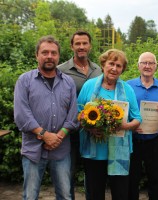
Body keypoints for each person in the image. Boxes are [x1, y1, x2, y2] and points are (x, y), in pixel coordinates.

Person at [14, 35, 78, 200]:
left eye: (53, 53)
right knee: (30, 196)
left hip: (61, 149)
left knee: (65, 195)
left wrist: (59, 136)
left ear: (58, 56)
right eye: (45, 52)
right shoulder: (24, 81)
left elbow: (73, 115)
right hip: (33, 149)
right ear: (37, 55)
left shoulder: (68, 83)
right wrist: (44, 135)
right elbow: (21, 115)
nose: (49, 56)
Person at [77, 49, 142, 200]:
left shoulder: (127, 89)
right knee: (94, 194)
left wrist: (125, 126)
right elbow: (78, 113)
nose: (114, 68)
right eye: (111, 63)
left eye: (118, 66)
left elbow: (137, 118)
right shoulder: (89, 85)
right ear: (103, 64)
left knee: (120, 194)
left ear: (122, 69)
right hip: (94, 153)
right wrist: (90, 127)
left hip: (120, 152)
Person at [57, 30, 102, 199]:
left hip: (92, 131)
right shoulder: (60, 70)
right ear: (72, 46)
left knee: (92, 175)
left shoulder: (98, 69)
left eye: (85, 43)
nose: (81, 47)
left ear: (90, 46)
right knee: (67, 174)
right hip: (70, 131)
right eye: (78, 43)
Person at [127, 52, 158, 200]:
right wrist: (130, 125)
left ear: (156, 67)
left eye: (151, 63)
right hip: (132, 139)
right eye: (144, 63)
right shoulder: (128, 86)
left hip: (154, 139)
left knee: (155, 178)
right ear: (138, 66)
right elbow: (122, 112)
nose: (147, 66)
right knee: (132, 178)